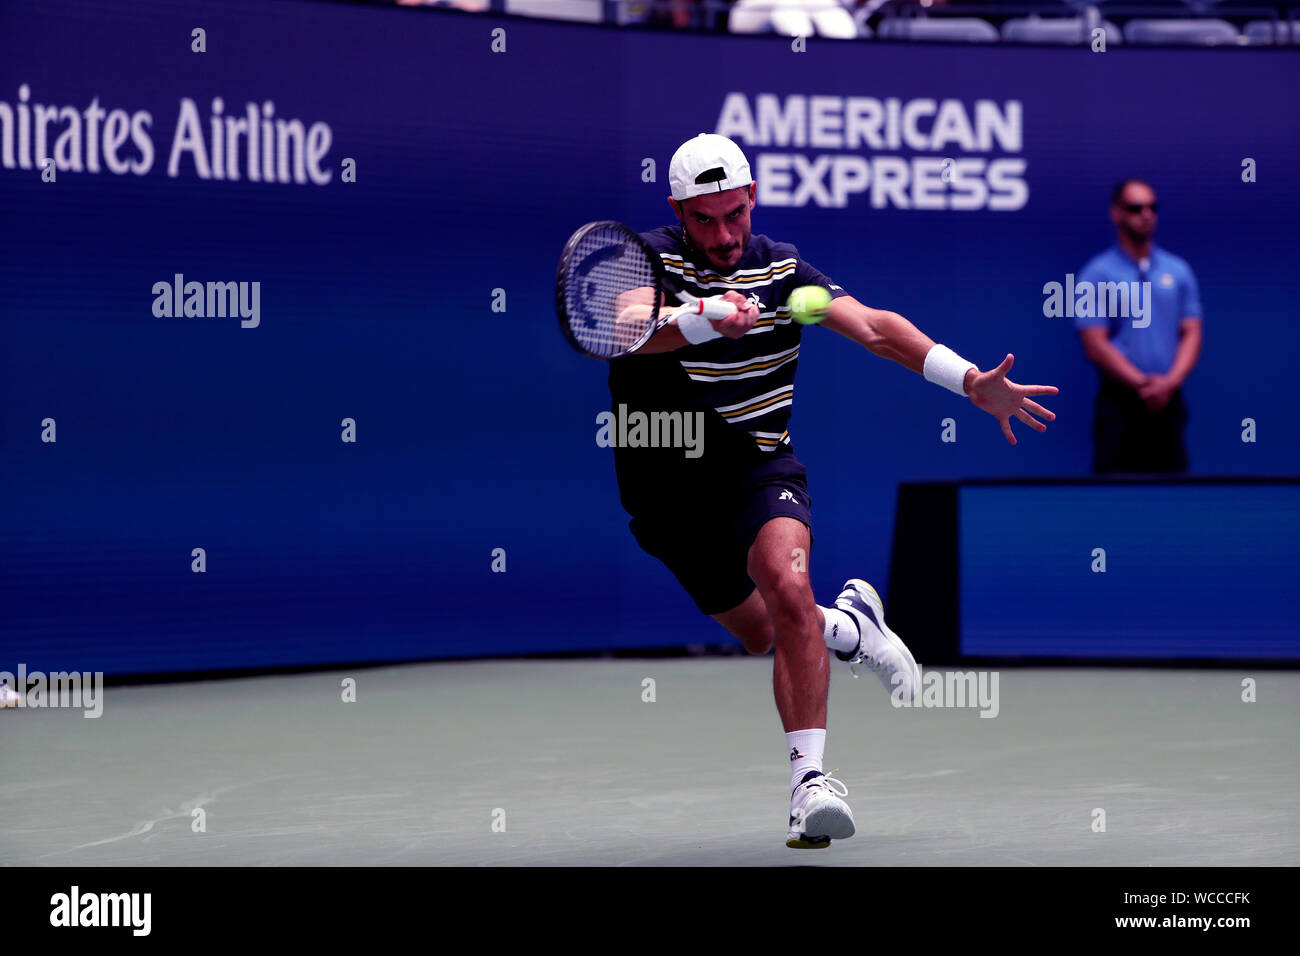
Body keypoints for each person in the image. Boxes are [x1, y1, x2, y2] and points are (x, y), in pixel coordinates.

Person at [609, 132, 1057, 848]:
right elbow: (626, 327)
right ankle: (851, 628)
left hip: (759, 468)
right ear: (678, 211)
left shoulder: (786, 274)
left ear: (752, 198)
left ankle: (809, 785)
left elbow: (876, 329)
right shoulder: (649, 258)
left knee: (788, 591)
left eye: (736, 214)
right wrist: (702, 318)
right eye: (705, 219)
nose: (724, 235)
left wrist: (969, 381)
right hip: (664, 492)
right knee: (764, 630)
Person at [1076, 179, 1203, 473]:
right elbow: (1095, 343)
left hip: (1169, 402)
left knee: (1174, 500)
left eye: (1152, 207)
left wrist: (1169, 382)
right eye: (1135, 207)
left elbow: (1192, 332)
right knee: (1115, 502)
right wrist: (1142, 384)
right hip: (1120, 406)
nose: (1146, 214)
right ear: (1116, 213)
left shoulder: (1179, 270)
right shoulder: (1095, 275)